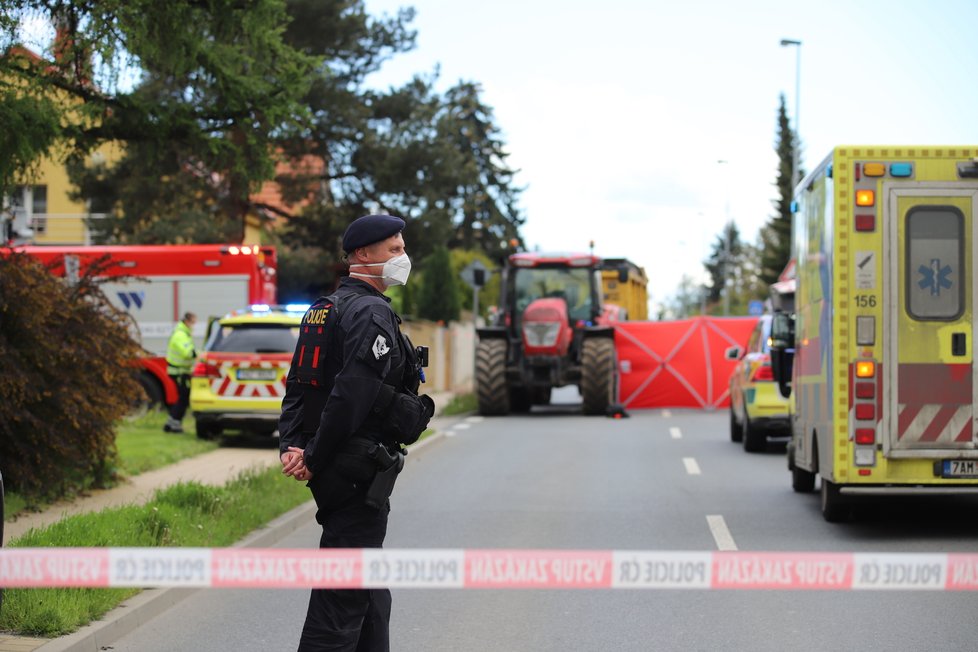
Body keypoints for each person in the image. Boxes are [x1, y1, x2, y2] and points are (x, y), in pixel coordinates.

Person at [279, 214, 435, 652]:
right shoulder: (370, 312)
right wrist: (311, 454)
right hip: (353, 465)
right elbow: (352, 394)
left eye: (402, 248)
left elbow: (298, 385)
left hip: (337, 464)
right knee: (342, 595)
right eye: (395, 250)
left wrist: (292, 445)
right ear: (364, 256)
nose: (403, 257)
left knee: (368, 586)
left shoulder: (322, 309)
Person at [164, 312, 197, 433]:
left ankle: (171, 423)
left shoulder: (183, 333)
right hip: (179, 372)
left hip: (181, 371)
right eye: (193, 322)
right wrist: (200, 355)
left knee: (182, 398)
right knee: (183, 398)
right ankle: (174, 424)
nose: (193, 325)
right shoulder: (180, 335)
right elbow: (187, 353)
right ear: (187, 321)